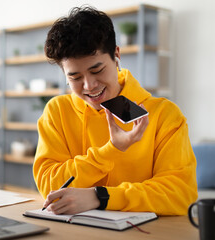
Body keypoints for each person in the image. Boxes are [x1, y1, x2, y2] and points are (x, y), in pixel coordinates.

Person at [33, 5, 197, 216]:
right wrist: (109, 151)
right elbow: (49, 186)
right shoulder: (57, 111)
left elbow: (181, 194)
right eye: (75, 77)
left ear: (116, 55)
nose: (89, 85)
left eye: (97, 70)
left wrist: (100, 197)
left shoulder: (165, 115)